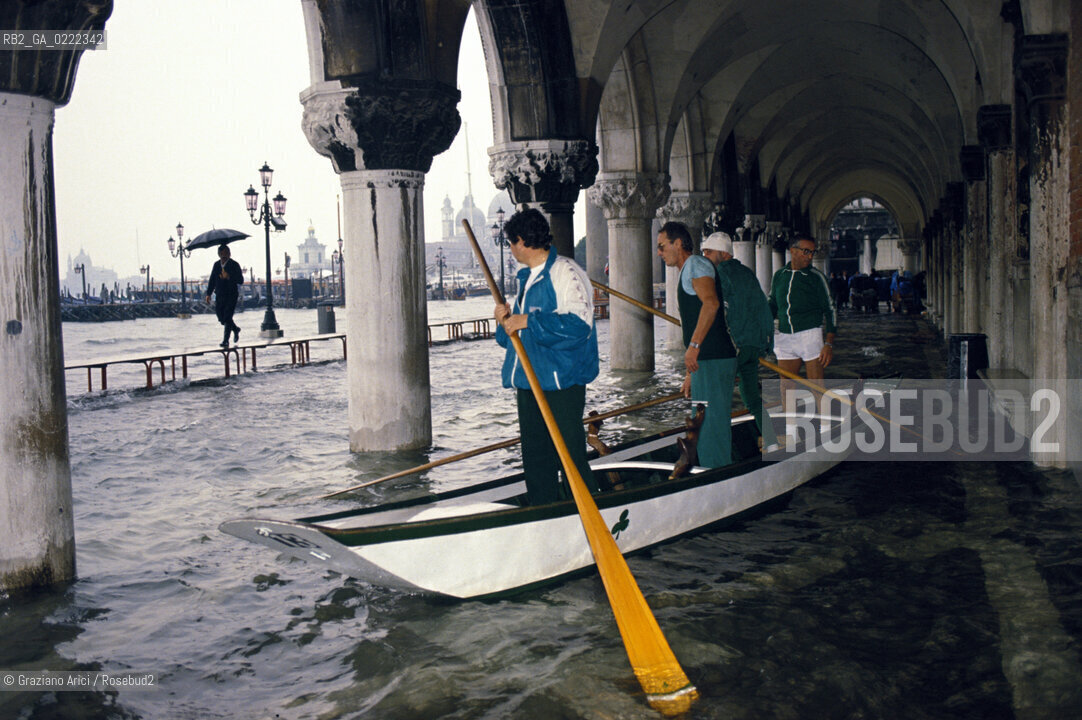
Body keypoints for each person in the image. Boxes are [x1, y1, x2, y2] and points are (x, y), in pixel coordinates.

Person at [494, 208, 600, 505]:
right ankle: (543, 511)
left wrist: (528, 320)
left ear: (521, 241)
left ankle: (587, 508)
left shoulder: (565, 272)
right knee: (536, 457)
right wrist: (505, 320)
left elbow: (579, 327)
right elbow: (513, 339)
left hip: (561, 384)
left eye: (510, 243)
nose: (511, 250)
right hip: (529, 384)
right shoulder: (527, 279)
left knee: (569, 456)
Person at [657, 221, 737, 467]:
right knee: (703, 421)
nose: (659, 253)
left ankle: (717, 477)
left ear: (678, 243)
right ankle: (713, 469)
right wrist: (691, 370)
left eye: (662, 247)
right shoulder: (691, 267)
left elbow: (711, 304)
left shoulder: (696, 264)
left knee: (710, 424)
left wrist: (694, 347)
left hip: (712, 357)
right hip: (709, 360)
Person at [701, 231, 778, 449]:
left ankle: (717, 447)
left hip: (735, 347)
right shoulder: (747, 273)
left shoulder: (720, 274)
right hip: (753, 347)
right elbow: (764, 309)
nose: (704, 255)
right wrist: (766, 345)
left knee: (716, 397)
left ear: (722, 253)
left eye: (708, 251)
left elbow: (718, 310)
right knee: (752, 397)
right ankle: (771, 437)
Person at [768, 233, 837, 385]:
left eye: (812, 252)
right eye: (806, 251)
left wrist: (828, 344)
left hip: (810, 335)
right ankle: (789, 410)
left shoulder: (816, 277)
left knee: (817, 386)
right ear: (793, 251)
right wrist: (763, 331)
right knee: (786, 387)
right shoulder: (779, 275)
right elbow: (772, 304)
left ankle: (821, 410)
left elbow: (831, 310)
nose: (810, 256)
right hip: (783, 336)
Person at [204, 244, 244, 348]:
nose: (224, 255)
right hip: (220, 294)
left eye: (226, 253)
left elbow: (240, 280)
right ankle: (235, 329)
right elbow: (212, 280)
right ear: (219, 255)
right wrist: (208, 293)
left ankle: (225, 341)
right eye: (222, 254)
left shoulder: (234, 265)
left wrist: (229, 276)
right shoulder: (216, 265)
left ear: (229, 254)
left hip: (231, 295)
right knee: (221, 317)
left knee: (227, 316)